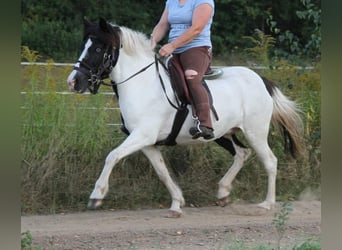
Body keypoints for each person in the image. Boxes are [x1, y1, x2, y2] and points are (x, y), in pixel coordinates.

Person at [151, 0, 215, 140]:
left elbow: (196, 28)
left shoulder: (203, 1)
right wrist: (152, 41)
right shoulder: (171, 2)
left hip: (197, 47)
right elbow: (162, 24)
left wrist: (172, 45)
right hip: (172, 49)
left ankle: (205, 123)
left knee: (191, 77)